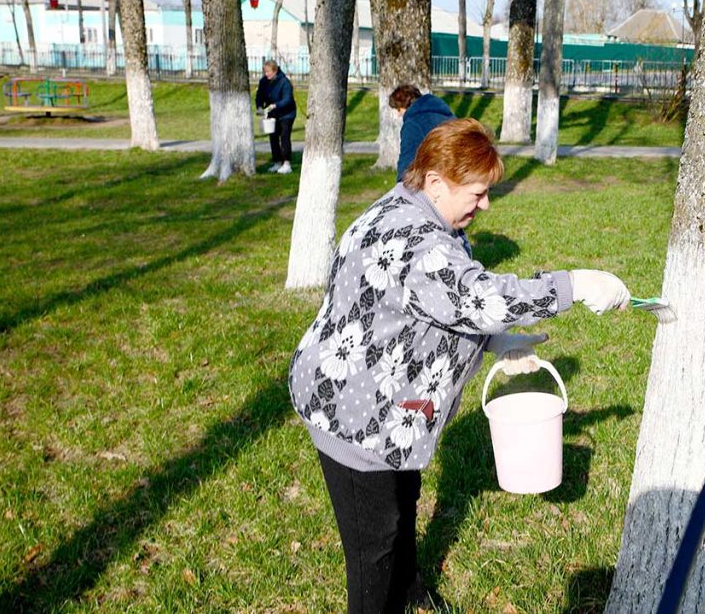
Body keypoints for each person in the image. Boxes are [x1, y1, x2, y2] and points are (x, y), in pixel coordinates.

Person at [288, 118, 631, 613]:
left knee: (404, 500)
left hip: (378, 399)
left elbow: (431, 305)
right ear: (434, 181)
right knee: (374, 544)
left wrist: (494, 342)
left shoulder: (412, 208)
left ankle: (407, 588)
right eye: (477, 192)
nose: (485, 204)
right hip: (352, 412)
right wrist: (574, 284)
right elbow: (479, 295)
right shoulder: (419, 243)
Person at [389, 84, 456, 182]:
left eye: (399, 109)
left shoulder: (413, 123)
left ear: (405, 105)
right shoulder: (448, 117)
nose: (399, 114)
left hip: (436, 183)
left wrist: (401, 187)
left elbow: (407, 163)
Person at [255, 59, 297, 174]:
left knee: (284, 136)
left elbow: (287, 99)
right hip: (272, 113)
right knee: (273, 137)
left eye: (269, 72)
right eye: (265, 72)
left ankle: (287, 163)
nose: (267, 74)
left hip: (286, 113)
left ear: (275, 70)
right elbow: (259, 95)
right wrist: (259, 106)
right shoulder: (264, 81)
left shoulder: (284, 82)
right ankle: (277, 162)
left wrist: (276, 105)